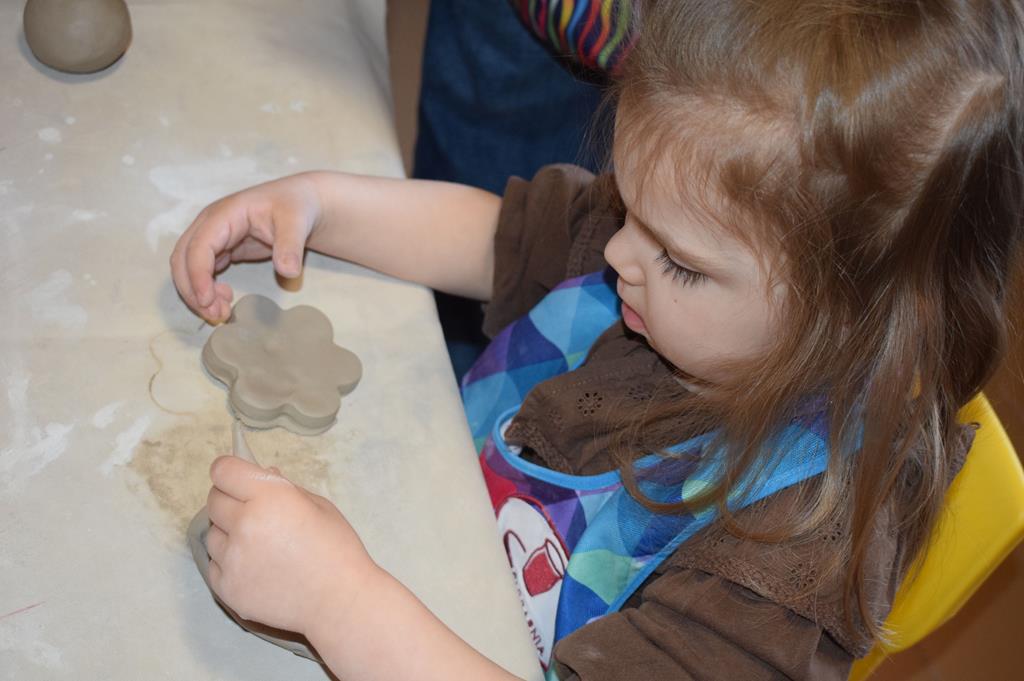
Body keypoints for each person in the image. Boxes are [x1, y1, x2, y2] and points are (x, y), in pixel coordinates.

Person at [169, 1, 1024, 679]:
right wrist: (319, 205)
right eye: (629, 204)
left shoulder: (789, 563)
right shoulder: (669, 250)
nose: (618, 253)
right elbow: (495, 236)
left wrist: (338, 601)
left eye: (678, 261)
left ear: (844, 318)